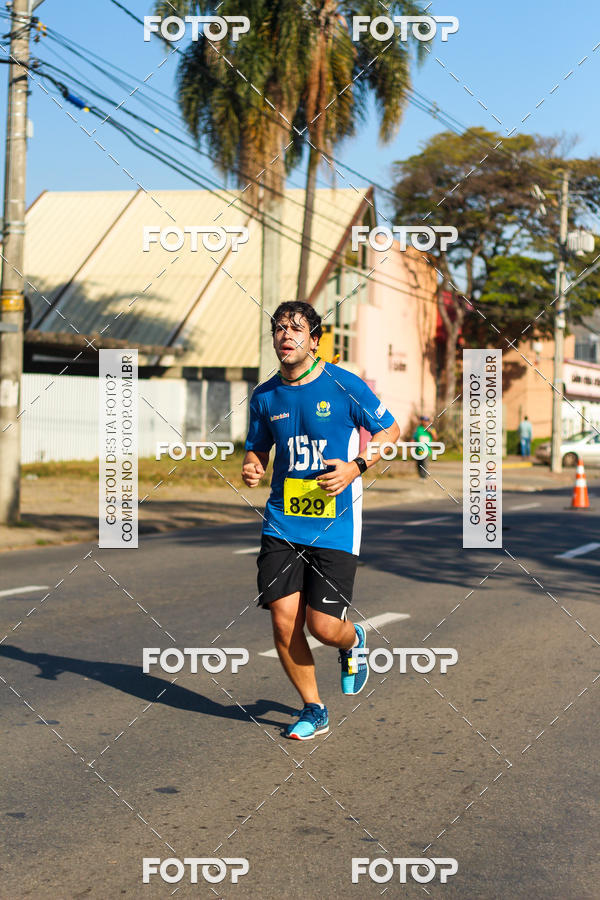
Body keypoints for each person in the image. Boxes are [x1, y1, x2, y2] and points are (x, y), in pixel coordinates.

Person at [242, 301, 400, 740]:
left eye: (296, 328)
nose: (285, 335)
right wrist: (252, 465)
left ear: (315, 339)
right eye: (278, 328)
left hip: (337, 521)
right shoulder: (265, 395)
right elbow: (257, 448)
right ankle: (314, 708)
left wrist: (357, 466)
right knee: (282, 619)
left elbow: (391, 431)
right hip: (282, 520)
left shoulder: (344, 385)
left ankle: (353, 643)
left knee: (323, 626)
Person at [412, 414, 438, 479]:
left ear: (428, 422)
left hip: (427, 449)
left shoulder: (432, 429)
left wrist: (431, 432)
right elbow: (414, 437)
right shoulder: (418, 429)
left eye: (426, 421)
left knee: (424, 462)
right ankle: (420, 475)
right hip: (418, 449)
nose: (424, 422)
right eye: (423, 421)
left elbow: (435, 437)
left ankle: (424, 476)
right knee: (418, 463)